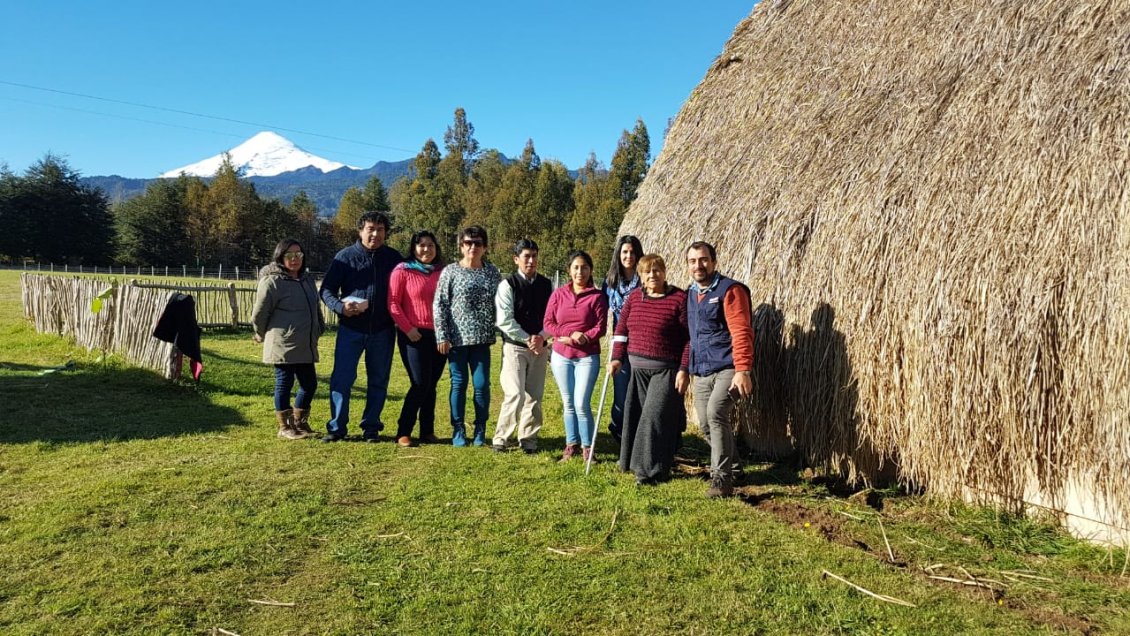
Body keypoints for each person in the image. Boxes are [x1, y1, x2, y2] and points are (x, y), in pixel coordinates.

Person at [319, 211, 402, 442]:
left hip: (383, 330)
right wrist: (340, 307)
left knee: (378, 380)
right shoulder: (344, 257)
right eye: (370, 229)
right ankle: (336, 428)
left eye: (381, 229)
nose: (375, 234)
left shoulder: (394, 259)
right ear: (360, 231)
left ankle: (371, 427)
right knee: (342, 379)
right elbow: (326, 290)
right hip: (351, 330)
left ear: (386, 232)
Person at [609, 254, 690, 485]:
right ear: (641, 276)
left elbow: (688, 339)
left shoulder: (678, 299)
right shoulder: (634, 298)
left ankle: (648, 473)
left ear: (664, 272)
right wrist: (617, 358)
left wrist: (684, 368)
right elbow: (621, 330)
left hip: (666, 371)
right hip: (637, 369)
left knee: (652, 417)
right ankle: (649, 461)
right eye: (647, 272)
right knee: (639, 417)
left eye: (657, 270)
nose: (652, 275)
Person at [686, 241, 755, 497]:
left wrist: (743, 369)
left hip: (728, 366)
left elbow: (741, 330)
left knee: (716, 413)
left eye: (703, 260)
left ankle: (721, 481)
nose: (698, 265)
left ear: (713, 262)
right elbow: (689, 336)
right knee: (704, 423)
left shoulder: (730, 291)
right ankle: (734, 467)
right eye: (693, 261)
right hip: (703, 369)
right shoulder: (691, 295)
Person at [433, 226, 501, 447]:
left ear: (485, 247)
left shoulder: (492, 273)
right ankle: (458, 428)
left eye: (478, 243)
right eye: (468, 243)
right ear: (461, 245)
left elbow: (501, 305)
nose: (473, 247)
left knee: (481, 385)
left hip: (482, 339)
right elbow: (440, 304)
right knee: (458, 384)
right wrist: (442, 335)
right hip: (456, 340)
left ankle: (480, 428)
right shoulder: (450, 272)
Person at [251, 239, 324, 440]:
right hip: (282, 342)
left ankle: (300, 422)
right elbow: (259, 313)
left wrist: (319, 327)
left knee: (309, 384)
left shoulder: (307, 280)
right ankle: (284, 426)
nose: (294, 259)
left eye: (298, 255)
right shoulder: (272, 282)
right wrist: (261, 332)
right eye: (289, 255)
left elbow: (315, 307)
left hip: (305, 343)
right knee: (284, 383)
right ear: (280, 257)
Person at [544, 250, 608, 463]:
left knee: (581, 403)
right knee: (568, 402)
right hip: (561, 355)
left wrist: (585, 337)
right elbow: (548, 323)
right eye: (576, 267)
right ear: (569, 271)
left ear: (591, 271)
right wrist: (567, 336)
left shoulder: (598, 297)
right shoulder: (558, 294)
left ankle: (588, 448)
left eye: (584, 267)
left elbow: (601, 326)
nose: (580, 271)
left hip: (586, 356)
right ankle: (571, 445)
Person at [492, 238, 553, 454]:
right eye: (526, 256)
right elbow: (505, 321)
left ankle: (528, 439)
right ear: (516, 259)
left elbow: (552, 317)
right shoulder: (508, 285)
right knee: (515, 394)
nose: (531, 260)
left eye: (534, 256)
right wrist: (529, 338)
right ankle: (501, 438)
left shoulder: (547, 285)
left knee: (534, 395)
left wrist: (542, 338)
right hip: (515, 347)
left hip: (539, 347)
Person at [388, 230, 447, 447]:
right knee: (420, 383)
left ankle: (427, 431)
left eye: (430, 245)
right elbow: (393, 303)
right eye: (421, 245)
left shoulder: (443, 271)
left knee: (431, 384)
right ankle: (403, 431)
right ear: (413, 248)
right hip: (413, 335)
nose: (426, 249)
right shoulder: (402, 271)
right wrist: (407, 328)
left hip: (439, 335)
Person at [602, 235, 643, 442]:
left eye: (632, 252)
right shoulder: (610, 283)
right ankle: (618, 429)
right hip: (620, 344)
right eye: (625, 252)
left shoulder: (644, 280)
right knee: (621, 392)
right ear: (618, 254)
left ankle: (636, 434)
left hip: (641, 343)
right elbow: (600, 309)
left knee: (639, 394)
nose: (628, 256)